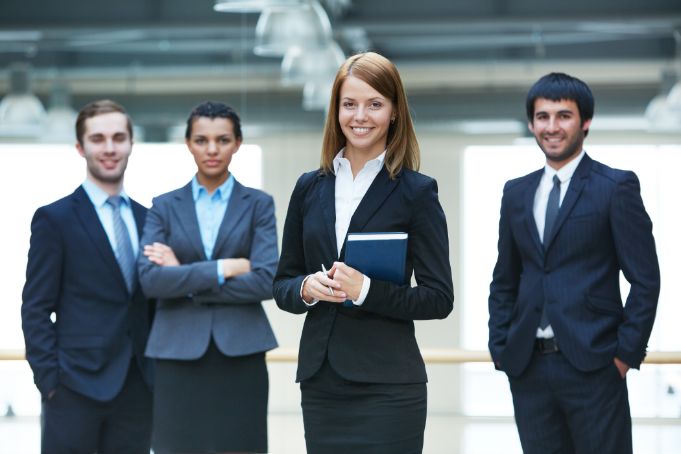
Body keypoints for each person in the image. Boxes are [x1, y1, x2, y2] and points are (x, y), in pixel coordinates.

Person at [273, 52, 454, 454]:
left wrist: (366, 290)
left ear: (394, 112)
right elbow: (282, 283)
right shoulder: (309, 188)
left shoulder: (416, 192)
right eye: (349, 104)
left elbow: (439, 298)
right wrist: (306, 287)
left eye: (375, 104)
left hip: (389, 387)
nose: (360, 116)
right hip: (322, 386)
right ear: (335, 110)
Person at [488, 72, 660, 453]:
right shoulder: (516, 193)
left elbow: (646, 280)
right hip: (528, 367)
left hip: (596, 366)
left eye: (563, 115)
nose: (552, 126)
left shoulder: (616, 187)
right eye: (543, 116)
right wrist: (501, 346)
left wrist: (624, 357)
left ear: (585, 122)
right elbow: (505, 279)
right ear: (531, 124)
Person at [138, 101, 278, 454]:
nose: (212, 149)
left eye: (223, 140)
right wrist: (225, 268)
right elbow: (151, 281)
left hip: (240, 350)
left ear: (238, 143)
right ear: (188, 143)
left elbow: (265, 281)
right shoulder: (164, 206)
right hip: (176, 352)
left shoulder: (258, 204)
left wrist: (183, 280)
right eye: (201, 140)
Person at [21, 99, 154, 453]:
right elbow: (35, 308)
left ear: (130, 143)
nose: (109, 148)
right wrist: (50, 382)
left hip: (138, 390)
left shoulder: (151, 220)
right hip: (73, 390)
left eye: (118, 137)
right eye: (97, 139)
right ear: (81, 148)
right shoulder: (55, 219)